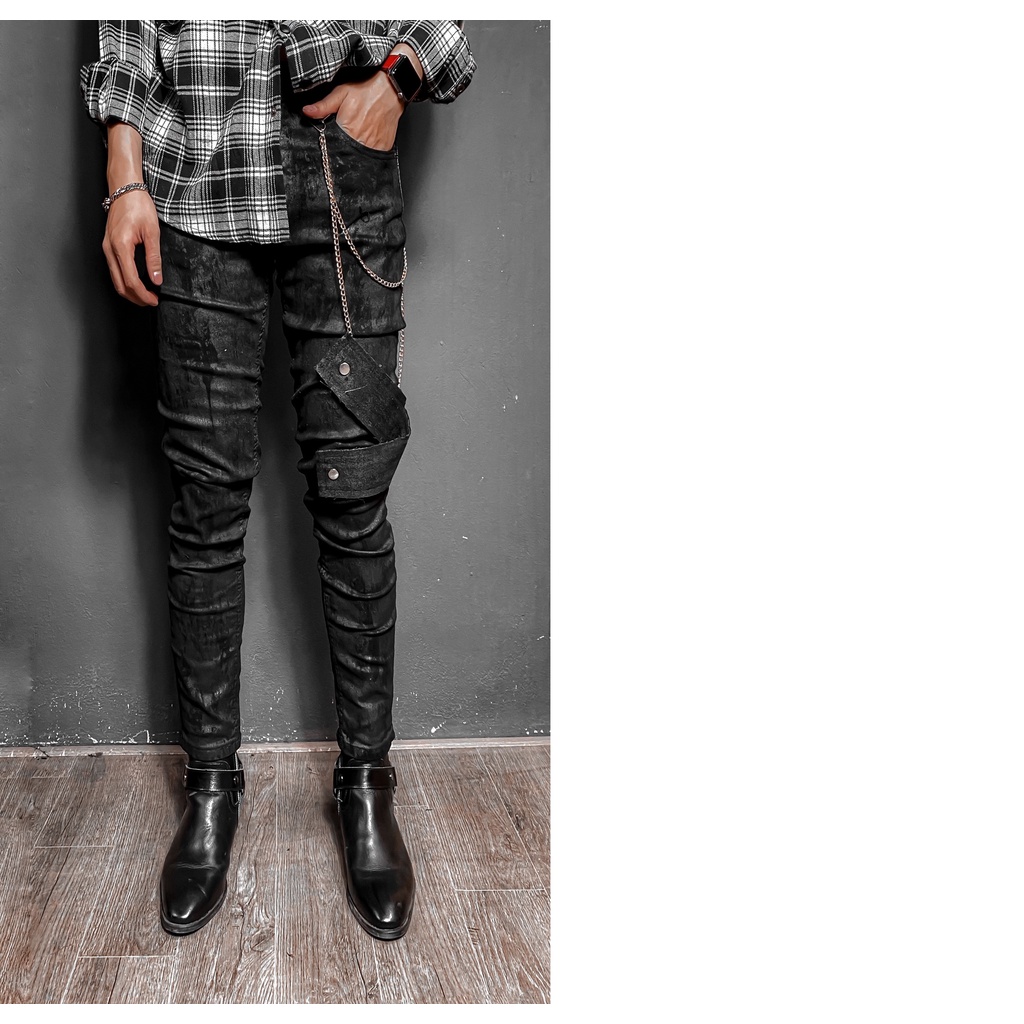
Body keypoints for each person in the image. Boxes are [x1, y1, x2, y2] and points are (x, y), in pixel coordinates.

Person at [80, 20, 475, 941]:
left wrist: (398, 80)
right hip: (194, 180)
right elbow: (124, 25)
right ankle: (210, 786)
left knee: (353, 501)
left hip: (342, 173)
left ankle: (366, 783)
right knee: (205, 510)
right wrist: (124, 174)